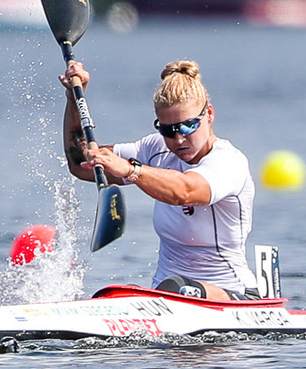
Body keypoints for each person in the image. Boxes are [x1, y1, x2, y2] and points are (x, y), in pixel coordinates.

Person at [60, 59, 258, 301]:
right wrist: (73, 98)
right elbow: (79, 163)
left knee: (176, 288)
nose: (179, 139)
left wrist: (130, 170)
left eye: (189, 126)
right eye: (168, 130)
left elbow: (186, 191)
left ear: (209, 114)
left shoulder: (229, 162)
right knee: (111, 294)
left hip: (233, 295)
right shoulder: (154, 149)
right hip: (166, 295)